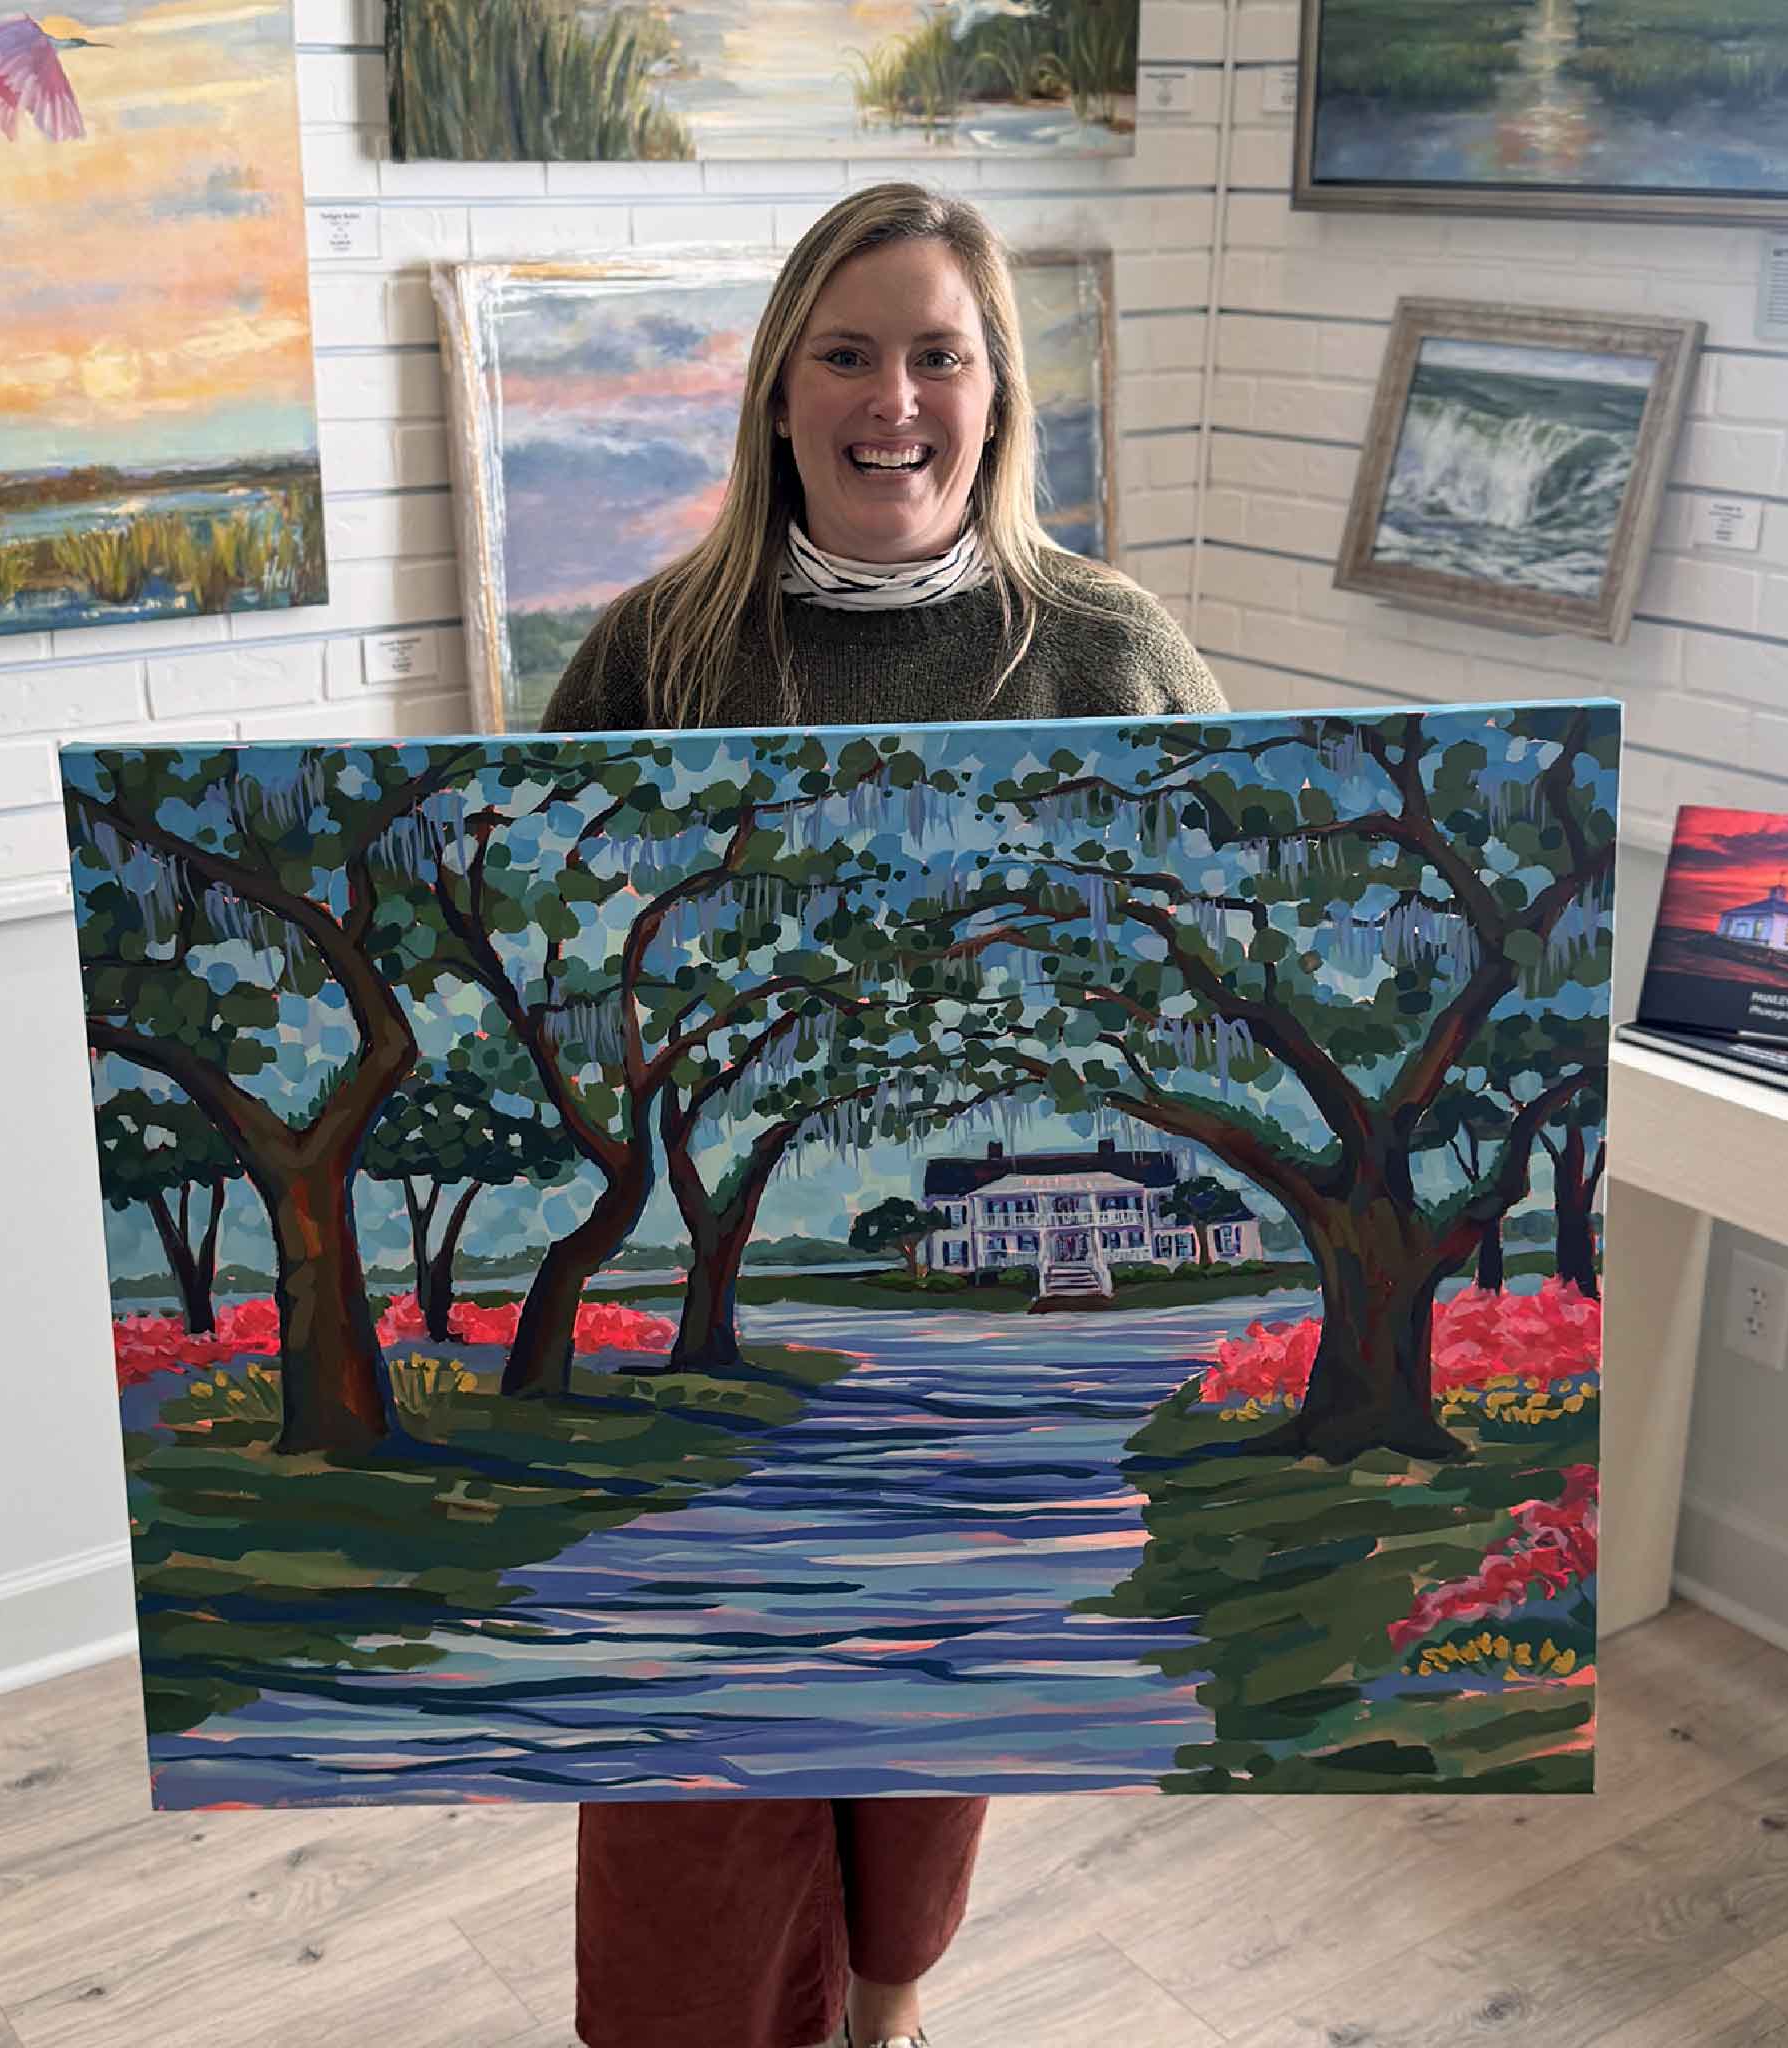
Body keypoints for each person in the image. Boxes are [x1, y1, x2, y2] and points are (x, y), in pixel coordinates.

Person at [542, 180, 1227, 2048]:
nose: (892, 400)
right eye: (845, 354)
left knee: (932, 1725)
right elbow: (534, 969)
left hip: (989, 1334)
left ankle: (892, 2007)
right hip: (704, 1312)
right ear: (777, 393)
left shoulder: (1105, 652)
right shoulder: (652, 654)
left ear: (999, 393)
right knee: (690, 1794)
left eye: (939, 354)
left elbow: (1230, 972)